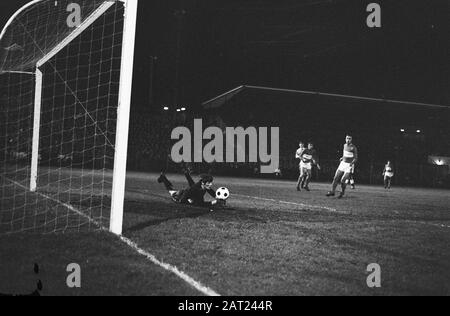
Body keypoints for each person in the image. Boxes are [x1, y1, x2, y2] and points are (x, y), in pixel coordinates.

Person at [158, 170, 225, 209]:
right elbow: (200, 204)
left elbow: (212, 193)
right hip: (180, 195)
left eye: (211, 183)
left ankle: (163, 178)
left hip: (189, 194)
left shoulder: (204, 186)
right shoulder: (194, 189)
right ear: (203, 183)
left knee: (172, 189)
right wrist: (214, 202)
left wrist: (219, 198)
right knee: (171, 191)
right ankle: (163, 178)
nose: (211, 184)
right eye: (209, 183)